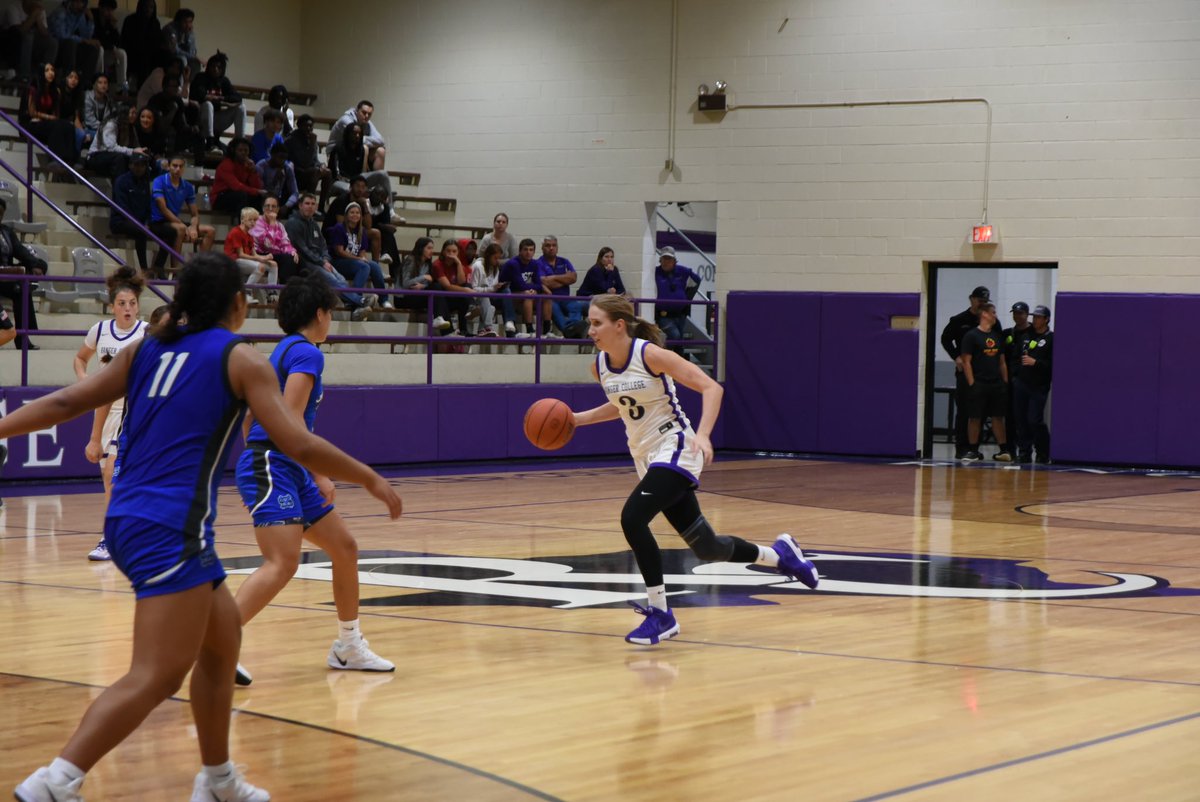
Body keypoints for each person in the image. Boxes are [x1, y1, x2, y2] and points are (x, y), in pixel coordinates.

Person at [7, 253, 403, 802]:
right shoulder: (241, 360)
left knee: (221, 643)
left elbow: (68, 399)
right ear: (239, 305)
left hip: (127, 515)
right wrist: (371, 479)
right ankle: (54, 782)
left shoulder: (145, 348)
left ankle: (217, 780)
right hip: (170, 526)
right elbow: (299, 442)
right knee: (156, 675)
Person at [567, 294, 819, 644]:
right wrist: (578, 420)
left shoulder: (650, 355)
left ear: (619, 325)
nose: (590, 329)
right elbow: (622, 405)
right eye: (590, 322)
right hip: (647, 458)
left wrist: (702, 434)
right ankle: (781, 556)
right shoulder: (600, 366)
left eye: (597, 323)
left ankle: (661, 614)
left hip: (676, 448)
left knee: (632, 518)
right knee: (708, 546)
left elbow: (710, 387)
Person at [232, 273, 396, 687]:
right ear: (320, 313)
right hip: (277, 462)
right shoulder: (307, 353)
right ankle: (216, 642)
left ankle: (348, 646)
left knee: (344, 547)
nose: (331, 321)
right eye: (331, 314)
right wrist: (317, 471)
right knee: (282, 562)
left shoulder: (280, 351)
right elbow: (288, 423)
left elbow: (253, 414)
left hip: (280, 463)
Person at [72, 266, 147, 562]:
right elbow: (80, 358)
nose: (128, 309)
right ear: (111, 305)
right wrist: (85, 382)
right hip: (105, 411)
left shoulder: (146, 333)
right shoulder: (100, 331)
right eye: (122, 304)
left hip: (135, 412)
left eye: (132, 303)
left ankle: (110, 538)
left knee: (111, 473)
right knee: (110, 478)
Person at [284, 192, 374, 320]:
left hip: (320, 261)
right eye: (307, 204)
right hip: (304, 263)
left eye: (313, 204)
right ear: (300, 206)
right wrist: (322, 262)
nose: (310, 207)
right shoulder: (293, 223)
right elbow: (302, 249)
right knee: (332, 280)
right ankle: (362, 301)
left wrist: (325, 259)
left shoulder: (314, 224)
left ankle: (354, 308)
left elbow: (323, 245)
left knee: (341, 279)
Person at [940, 286, 1002, 459]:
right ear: (972, 299)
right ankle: (961, 448)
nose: (982, 304)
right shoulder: (960, 319)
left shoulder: (991, 321)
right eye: (980, 300)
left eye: (985, 302)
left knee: (980, 412)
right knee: (965, 411)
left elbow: (999, 343)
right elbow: (945, 339)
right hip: (965, 372)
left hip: (984, 374)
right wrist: (956, 357)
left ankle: (974, 448)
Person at [959, 301, 1012, 462]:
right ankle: (973, 450)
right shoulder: (971, 336)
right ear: (984, 314)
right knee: (975, 417)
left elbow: (1002, 362)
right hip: (979, 383)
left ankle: (1003, 450)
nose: (995, 316)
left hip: (996, 383)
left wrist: (1005, 382)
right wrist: (972, 383)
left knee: (997, 417)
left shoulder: (996, 336)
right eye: (993, 312)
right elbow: (966, 361)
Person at [149, 153, 215, 276]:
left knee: (210, 230)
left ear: (184, 168)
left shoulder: (187, 186)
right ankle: (175, 272)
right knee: (180, 228)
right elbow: (163, 209)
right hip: (158, 222)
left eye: (180, 166)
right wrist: (185, 227)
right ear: (168, 167)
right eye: (174, 166)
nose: (177, 169)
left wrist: (193, 227)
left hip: (175, 222)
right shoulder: (160, 181)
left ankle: (200, 269)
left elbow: (194, 214)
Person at [0, 195, 44, 349]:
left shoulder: (6, 231)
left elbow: (20, 251)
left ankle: (22, 336)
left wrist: (36, 264)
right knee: (19, 285)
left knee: (22, 286)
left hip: (6, 275)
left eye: (1, 213)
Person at [325, 202, 386, 309]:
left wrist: (362, 259)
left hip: (353, 262)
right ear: (346, 215)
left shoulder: (361, 231)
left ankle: (383, 300)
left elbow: (362, 252)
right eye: (352, 212)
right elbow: (339, 251)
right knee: (364, 266)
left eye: (357, 213)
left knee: (375, 266)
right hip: (337, 262)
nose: (355, 215)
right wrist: (359, 259)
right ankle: (355, 299)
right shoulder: (339, 228)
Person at [1013, 305, 1054, 464]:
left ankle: (1043, 451)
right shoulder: (1026, 336)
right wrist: (1015, 376)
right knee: (1021, 419)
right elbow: (1016, 356)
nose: (1035, 320)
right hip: (1022, 383)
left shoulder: (1051, 338)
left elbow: (1052, 364)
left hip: (1039, 385)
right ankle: (1024, 452)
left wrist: (1036, 363)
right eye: (1034, 317)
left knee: (1034, 419)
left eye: (1038, 317)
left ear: (1046, 319)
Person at [20, 61, 77, 163]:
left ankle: (69, 161)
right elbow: (32, 112)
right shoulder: (33, 88)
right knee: (55, 126)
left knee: (68, 126)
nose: (51, 73)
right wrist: (48, 117)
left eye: (52, 70)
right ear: (41, 73)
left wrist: (52, 118)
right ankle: (56, 160)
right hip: (31, 123)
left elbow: (56, 114)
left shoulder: (55, 91)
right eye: (47, 70)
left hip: (45, 123)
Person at [190, 51, 244, 155]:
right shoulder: (200, 77)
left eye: (219, 67)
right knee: (207, 104)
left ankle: (239, 143)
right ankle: (210, 143)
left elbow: (237, 98)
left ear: (222, 69)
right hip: (200, 119)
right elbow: (198, 95)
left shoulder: (224, 81)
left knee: (241, 107)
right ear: (208, 67)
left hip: (217, 119)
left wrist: (221, 99)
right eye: (213, 66)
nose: (215, 69)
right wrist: (221, 101)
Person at [108, 151, 153, 271]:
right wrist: (141, 224)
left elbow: (148, 205)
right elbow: (122, 208)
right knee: (141, 231)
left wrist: (148, 222)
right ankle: (144, 269)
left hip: (141, 221)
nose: (139, 168)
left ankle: (159, 266)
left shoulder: (145, 183)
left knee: (169, 232)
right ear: (130, 165)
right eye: (136, 164)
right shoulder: (121, 181)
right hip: (120, 221)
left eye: (142, 165)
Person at [224, 207, 277, 303]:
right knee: (260, 267)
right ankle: (246, 294)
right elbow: (241, 255)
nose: (253, 222)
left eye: (255, 220)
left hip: (246, 260)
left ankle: (271, 293)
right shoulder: (236, 232)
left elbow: (254, 254)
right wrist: (261, 259)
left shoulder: (249, 235)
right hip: (234, 261)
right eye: (250, 220)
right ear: (242, 220)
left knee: (273, 265)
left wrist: (264, 258)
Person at [653, 247, 702, 350]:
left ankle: (675, 362)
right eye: (664, 259)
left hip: (681, 314)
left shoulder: (683, 271)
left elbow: (697, 280)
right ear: (660, 260)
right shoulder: (655, 272)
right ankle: (664, 355)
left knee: (679, 343)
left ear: (674, 261)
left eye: (669, 259)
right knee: (675, 336)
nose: (666, 262)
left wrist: (687, 299)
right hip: (664, 315)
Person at [1, 0, 59, 84]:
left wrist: (38, 18)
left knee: (53, 42)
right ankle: (24, 76)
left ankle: (45, 76)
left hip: (32, 42)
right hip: (12, 41)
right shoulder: (13, 8)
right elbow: (19, 32)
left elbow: (45, 33)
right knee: (28, 36)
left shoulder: (39, 10)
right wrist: (33, 15)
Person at [498, 238, 546, 340]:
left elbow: (539, 284)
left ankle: (546, 329)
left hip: (522, 294)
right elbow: (520, 285)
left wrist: (534, 290)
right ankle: (529, 329)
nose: (528, 252)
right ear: (520, 251)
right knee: (528, 295)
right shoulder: (513, 263)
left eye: (531, 250)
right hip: (506, 295)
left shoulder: (535, 264)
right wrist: (533, 288)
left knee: (546, 297)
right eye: (525, 250)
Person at [537, 235, 584, 338]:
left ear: (557, 247)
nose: (551, 248)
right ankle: (568, 330)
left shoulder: (564, 261)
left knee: (576, 305)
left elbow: (573, 277)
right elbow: (544, 282)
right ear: (542, 248)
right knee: (554, 308)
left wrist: (552, 278)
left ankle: (574, 326)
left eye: (554, 245)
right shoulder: (538, 263)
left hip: (565, 298)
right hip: (549, 300)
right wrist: (564, 279)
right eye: (548, 245)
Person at [48, 0, 101, 88]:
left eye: (82, 3)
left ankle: (85, 84)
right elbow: (62, 36)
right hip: (56, 46)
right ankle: (69, 79)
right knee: (71, 44)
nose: (79, 5)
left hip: (69, 46)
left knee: (91, 48)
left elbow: (86, 36)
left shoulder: (79, 15)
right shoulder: (60, 12)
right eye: (76, 2)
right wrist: (83, 40)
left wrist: (91, 20)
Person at [211, 137, 264, 224]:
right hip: (220, 197)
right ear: (234, 151)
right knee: (241, 195)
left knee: (258, 198)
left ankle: (259, 229)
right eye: (240, 150)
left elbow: (256, 186)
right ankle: (241, 228)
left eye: (246, 150)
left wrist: (253, 171)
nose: (243, 153)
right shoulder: (226, 164)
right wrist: (257, 191)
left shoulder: (247, 164)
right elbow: (236, 186)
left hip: (239, 195)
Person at [85, 101, 144, 179]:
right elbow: (111, 148)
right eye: (132, 113)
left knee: (142, 158)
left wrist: (141, 152)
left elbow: (136, 146)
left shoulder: (131, 128)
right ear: (124, 113)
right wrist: (132, 151)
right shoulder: (110, 124)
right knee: (119, 158)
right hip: (97, 156)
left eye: (135, 113)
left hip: (117, 156)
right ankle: (118, 189)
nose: (134, 116)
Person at [284, 114, 331, 212]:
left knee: (327, 172)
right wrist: (311, 144)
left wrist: (321, 165)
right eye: (306, 126)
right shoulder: (291, 139)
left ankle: (321, 207)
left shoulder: (311, 139)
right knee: (315, 172)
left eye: (311, 126)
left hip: (309, 172)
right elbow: (303, 162)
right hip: (295, 173)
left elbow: (314, 160)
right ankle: (309, 206)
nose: (309, 128)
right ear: (299, 126)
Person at [249, 195, 300, 285]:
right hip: (259, 253)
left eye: (273, 206)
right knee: (285, 259)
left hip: (274, 254)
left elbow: (285, 242)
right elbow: (267, 245)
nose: (270, 209)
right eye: (267, 206)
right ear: (263, 208)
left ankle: (285, 288)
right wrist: (272, 225)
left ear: (277, 209)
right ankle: (279, 288)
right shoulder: (256, 222)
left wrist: (292, 251)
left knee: (293, 258)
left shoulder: (280, 225)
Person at [328, 100, 386, 171]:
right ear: (356, 111)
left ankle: (377, 180)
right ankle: (362, 178)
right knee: (365, 148)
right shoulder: (346, 120)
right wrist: (367, 141)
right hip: (337, 153)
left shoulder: (367, 123)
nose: (366, 116)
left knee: (381, 151)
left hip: (355, 151)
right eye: (364, 113)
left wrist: (363, 139)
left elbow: (381, 140)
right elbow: (355, 140)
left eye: (369, 114)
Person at [430, 238, 473, 333]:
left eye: (454, 251)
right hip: (441, 299)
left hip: (453, 297)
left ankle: (464, 330)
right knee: (466, 290)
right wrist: (466, 290)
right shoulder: (437, 264)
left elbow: (462, 282)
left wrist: (458, 263)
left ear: (458, 253)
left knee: (467, 287)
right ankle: (449, 331)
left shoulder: (457, 264)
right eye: (448, 251)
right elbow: (447, 286)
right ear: (443, 252)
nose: (451, 254)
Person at [118, 0, 160, 89]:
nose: (148, 10)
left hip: (151, 54)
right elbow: (125, 41)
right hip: (132, 52)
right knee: (144, 58)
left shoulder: (155, 23)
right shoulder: (130, 20)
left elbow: (157, 42)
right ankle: (141, 90)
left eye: (151, 7)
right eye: (146, 7)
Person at [469, 242, 505, 336]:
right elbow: (472, 288)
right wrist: (490, 289)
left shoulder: (496, 269)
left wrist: (496, 287)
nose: (497, 261)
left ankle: (481, 330)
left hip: (487, 298)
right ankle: (489, 327)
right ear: (488, 256)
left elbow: (492, 289)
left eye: (499, 258)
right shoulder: (477, 266)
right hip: (473, 298)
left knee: (491, 307)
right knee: (486, 301)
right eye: (495, 258)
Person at [256, 143, 299, 218]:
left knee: (297, 204)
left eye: (285, 158)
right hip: (263, 198)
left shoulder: (287, 168)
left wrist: (286, 206)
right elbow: (260, 190)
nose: (283, 161)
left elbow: (295, 192)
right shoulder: (261, 166)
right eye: (280, 157)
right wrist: (275, 180)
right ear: (272, 155)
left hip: (279, 199)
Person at [92, 0, 127, 90]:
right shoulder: (92, 15)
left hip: (105, 54)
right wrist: (111, 47)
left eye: (111, 10)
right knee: (100, 49)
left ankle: (121, 88)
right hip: (93, 53)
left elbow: (119, 43)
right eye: (107, 9)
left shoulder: (110, 21)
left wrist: (114, 28)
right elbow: (96, 38)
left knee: (121, 53)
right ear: (100, 7)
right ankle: (99, 83)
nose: (109, 13)